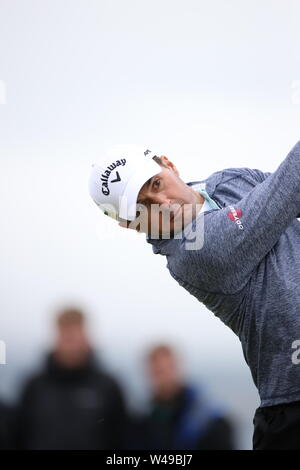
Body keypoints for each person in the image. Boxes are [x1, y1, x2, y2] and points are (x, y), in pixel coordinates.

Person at [88, 141, 300, 450]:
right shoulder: (192, 254)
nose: (162, 203)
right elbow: (289, 187)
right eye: (142, 208)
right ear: (130, 225)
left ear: (169, 164)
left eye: (156, 183)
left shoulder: (229, 181)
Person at [14, 307, 128, 449]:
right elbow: (19, 436)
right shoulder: (34, 387)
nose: (71, 345)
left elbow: (121, 438)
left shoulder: (108, 387)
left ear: (87, 337)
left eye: (75, 336)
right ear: (56, 337)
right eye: (66, 337)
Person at [130, 343, 234, 450]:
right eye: (155, 372)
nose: (161, 380)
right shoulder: (141, 420)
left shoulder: (209, 421)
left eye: (164, 371)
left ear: (177, 369)